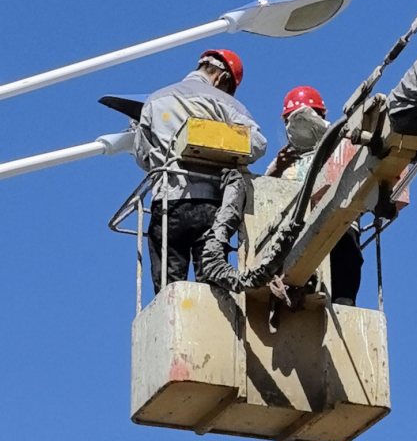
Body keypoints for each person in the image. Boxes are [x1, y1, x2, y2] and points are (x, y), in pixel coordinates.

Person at [133, 49, 267, 293]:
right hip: (211, 207)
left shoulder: (154, 100)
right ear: (222, 78)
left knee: (167, 292)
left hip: (167, 205)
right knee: (212, 287)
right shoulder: (226, 102)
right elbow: (257, 145)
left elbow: (143, 158)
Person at [266, 86, 363, 306]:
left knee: (342, 297)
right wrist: (278, 168)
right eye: (292, 120)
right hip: (296, 235)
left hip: (341, 228)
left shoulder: (341, 143)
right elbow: (264, 196)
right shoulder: (285, 160)